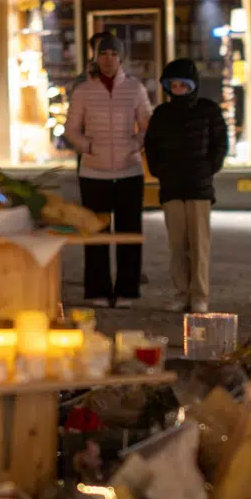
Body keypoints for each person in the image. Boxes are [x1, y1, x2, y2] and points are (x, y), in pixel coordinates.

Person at [65, 33, 153, 307]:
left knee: (129, 232)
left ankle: (127, 290)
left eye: (114, 54)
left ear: (121, 58)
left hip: (129, 172)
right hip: (93, 173)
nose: (108, 59)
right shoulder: (83, 91)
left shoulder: (135, 89)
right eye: (104, 53)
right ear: (96, 57)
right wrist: (88, 147)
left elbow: (148, 126)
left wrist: (134, 145)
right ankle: (98, 291)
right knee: (95, 234)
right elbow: (71, 130)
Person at [144, 58, 229, 314]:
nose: (179, 89)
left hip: (198, 187)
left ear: (193, 85)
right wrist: (160, 172)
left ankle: (200, 296)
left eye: (184, 84)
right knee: (177, 244)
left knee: (199, 244)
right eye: (174, 85)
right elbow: (151, 147)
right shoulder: (161, 114)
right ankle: (181, 293)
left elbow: (220, 144)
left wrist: (207, 169)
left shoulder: (208, 110)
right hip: (171, 187)